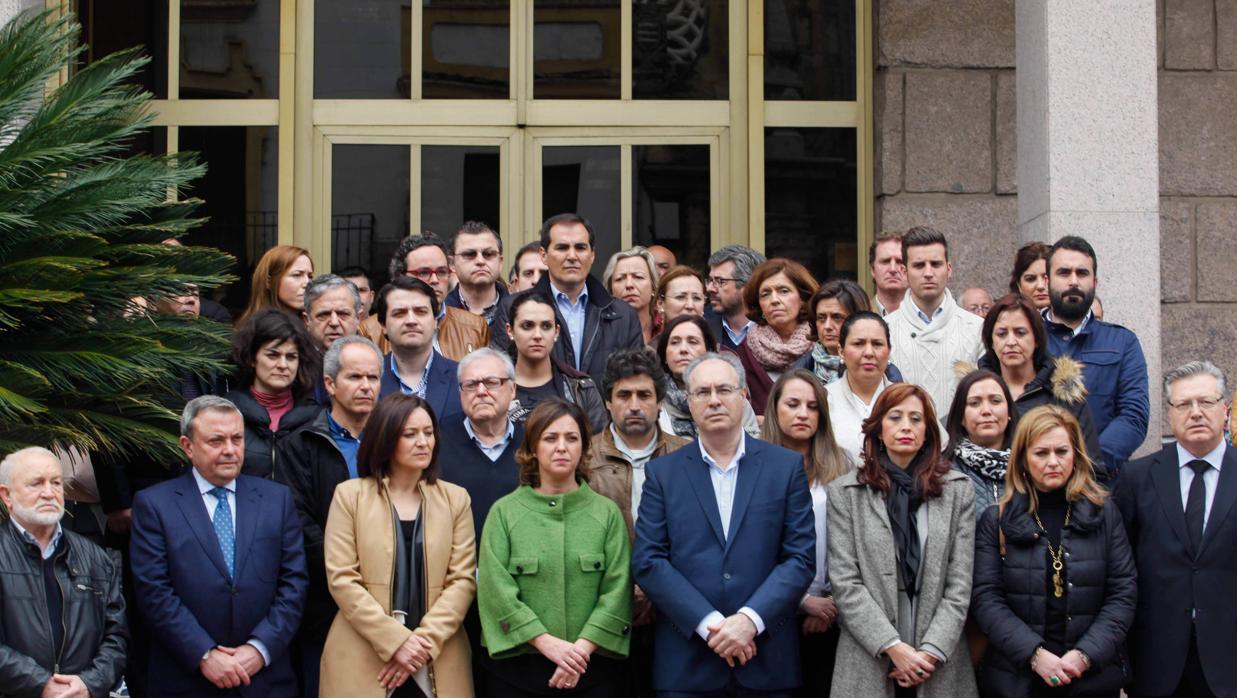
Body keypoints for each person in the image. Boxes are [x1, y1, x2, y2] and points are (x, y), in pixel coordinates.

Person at [632, 352, 815, 695]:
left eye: (724, 389)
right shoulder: (663, 474)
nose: (714, 400)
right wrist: (711, 624)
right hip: (688, 665)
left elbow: (800, 559)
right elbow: (649, 561)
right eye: (702, 392)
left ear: (744, 395)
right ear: (688, 401)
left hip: (767, 662)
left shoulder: (785, 468)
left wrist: (749, 620)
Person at [130, 396, 308, 696]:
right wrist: (204, 654)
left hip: (264, 679)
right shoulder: (155, 505)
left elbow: (294, 583)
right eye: (216, 440)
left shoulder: (277, 500)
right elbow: (154, 592)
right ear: (188, 446)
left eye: (237, 439)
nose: (229, 450)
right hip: (188, 679)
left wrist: (259, 649)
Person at [971, 405, 1135, 697]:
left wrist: (1085, 655)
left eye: (1062, 451)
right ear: (1022, 458)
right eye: (1041, 453)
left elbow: (1122, 592)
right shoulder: (996, 520)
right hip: (1018, 680)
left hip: (1091, 677)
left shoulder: (1104, 514)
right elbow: (986, 599)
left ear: (1076, 455)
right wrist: (1035, 655)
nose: (1053, 462)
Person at [826, 383, 977, 698]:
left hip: (938, 654)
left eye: (916, 419)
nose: (906, 426)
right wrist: (893, 648)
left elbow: (959, 584)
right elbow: (845, 583)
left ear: (928, 432)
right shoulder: (845, 493)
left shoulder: (957, 491)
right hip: (869, 653)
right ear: (878, 429)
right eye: (895, 417)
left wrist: (930, 652)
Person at [320, 393, 476, 697]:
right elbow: (341, 579)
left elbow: (463, 581)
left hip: (438, 656)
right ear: (386, 437)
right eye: (410, 434)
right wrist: (395, 640)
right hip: (363, 656)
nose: (423, 442)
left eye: (428, 433)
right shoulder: (350, 496)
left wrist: (421, 645)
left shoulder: (456, 499)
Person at [478, 399, 632, 696]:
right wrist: (546, 643)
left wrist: (579, 651)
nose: (561, 447)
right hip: (518, 670)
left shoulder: (606, 513)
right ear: (533, 448)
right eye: (550, 438)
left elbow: (618, 588)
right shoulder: (505, 512)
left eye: (571, 438)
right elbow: (495, 590)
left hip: (591, 669)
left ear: (584, 448)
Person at [1116, 360, 1237, 697]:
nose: (1195, 412)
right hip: (1156, 662)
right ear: (1169, 414)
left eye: (1206, 402)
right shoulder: (1136, 478)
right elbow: (1120, 571)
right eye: (1184, 404)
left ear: (1225, 410)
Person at [273, 335, 383, 697]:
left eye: (373, 377)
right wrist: (351, 572)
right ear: (330, 384)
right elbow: (298, 522)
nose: (366, 386)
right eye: (355, 377)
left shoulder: (396, 441)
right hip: (326, 602)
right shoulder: (300, 444)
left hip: (392, 599)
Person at [588, 349, 689, 697]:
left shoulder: (687, 455)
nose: (634, 405)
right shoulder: (583, 459)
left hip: (674, 612)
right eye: (623, 395)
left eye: (644, 395)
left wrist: (653, 591)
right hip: (601, 611)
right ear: (607, 402)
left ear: (659, 402)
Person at [0, 447, 127, 698]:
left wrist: (89, 684)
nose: (49, 493)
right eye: (36, 484)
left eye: (56, 483)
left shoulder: (96, 558)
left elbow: (117, 637)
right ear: (7, 495)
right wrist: (41, 685)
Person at [759, 371, 853, 697]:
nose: (803, 414)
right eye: (793, 404)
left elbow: (855, 542)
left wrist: (829, 603)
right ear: (775, 409)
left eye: (813, 407)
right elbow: (753, 548)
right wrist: (802, 601)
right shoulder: (753, 466)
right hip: (771, 616)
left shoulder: (842, 465)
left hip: (834, 613)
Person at [438, 347, 525, 695]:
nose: (481, 391)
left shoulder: (535, 442)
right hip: (452, 597)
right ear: (459, 393)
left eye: (492, 382)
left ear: (513, 389)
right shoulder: (435, 441)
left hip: (520, 597)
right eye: (470, 384)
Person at [491, 214, 644, 388]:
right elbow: (501, 377)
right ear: (544, 255)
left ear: (592, 254)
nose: (572, 256)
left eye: (580, 248)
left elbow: (636, 382)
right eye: (562, 248)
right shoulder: (512, 307)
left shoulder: (623, 315)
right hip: (539, 414)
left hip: (603, 414)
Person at [1042, 235, 1148, 474]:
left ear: (1095, 281)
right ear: (1047, 280)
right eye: (1063, 273)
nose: (1073, 281)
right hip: (1034, 484)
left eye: (1082, 273)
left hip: (1101, 484)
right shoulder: (1026, 340)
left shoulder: (1122, 343)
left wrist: (1087, 464)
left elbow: (1134, 416)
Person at [977, 293, 1105, 474]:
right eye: (1002, 333)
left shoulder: (1064, 395)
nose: (1011, 342)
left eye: (1020, 333)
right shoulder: (974, 395)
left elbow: (1093, 470)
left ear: (1037, 338)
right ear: (991, 340)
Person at [885, 226, 985, 421]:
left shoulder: (977, 329)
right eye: (919, 265)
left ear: (949, 269)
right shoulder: (884, 331)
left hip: (962, 446)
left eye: (936, 264)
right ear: (904, 272)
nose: (928, 273)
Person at [224, 309, 321, 479]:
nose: (283, 365)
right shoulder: (225, 413)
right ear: (252, 358)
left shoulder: (318, 419)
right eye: (273, 355)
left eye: (291, 357)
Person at [363, 233, 490, 360]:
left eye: (441, 272)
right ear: (400, 277)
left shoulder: (475, 327)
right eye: (424, 273)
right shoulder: (370, 331)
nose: (435, 280)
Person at [506, 291, 608, 433]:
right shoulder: (492, 387)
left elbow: (597, 449)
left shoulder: (582, 389)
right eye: (527, 326)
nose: (537, 335)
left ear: (556, 332)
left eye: (546, 326)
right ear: (510, 330)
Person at [730, 258, 819, 415]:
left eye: (784, 291)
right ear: (759, 305)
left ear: (803, 299)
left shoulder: (821, 349)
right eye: (765, 294)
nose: (774, 300)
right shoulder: (741, 354)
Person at [655, 314, 761, 440]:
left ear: (708, 351)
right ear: (665, 355)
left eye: (692, 342)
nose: (683, 349)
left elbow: (752, 447)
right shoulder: (655, 402)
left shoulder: (733, 395)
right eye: (675, 342)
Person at [375, 276, 464, 424]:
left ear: (436, 320)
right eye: (399, 313)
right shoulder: (369, 379)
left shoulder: (463, 378)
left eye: (420, 312)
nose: (411, 320)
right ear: (383, 325)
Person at [826, 311, 897, 462]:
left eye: (877, 344)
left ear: (889, 351)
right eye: (858, 344)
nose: (869, 352)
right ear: (841, 351)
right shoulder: (823, 399)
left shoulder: (909, 400)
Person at [943, 370, 1015, 518]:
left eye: (995, 401)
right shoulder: (943, 471)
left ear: (1009, 412)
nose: (986, 411)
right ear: (961, 416)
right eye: (974, 403)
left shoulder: (1031, 465)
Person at [792, 278, 882, 384]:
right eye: (821, 318)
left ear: (858, 320)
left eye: (837, 317)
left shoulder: (886, 373)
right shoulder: (796, 375)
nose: (827, 326)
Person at [446, 220, 508, 326]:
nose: (480, 261)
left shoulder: (521, 312)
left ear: (500, 262)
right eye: (469, 254)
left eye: (488, 254)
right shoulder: (438, 315)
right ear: (452, 264)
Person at [705, 245, 766, 349]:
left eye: (720, 281)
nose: (710, 288)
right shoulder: (703, 324)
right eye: (710, 280)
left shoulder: (773, 327)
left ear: (748, 285)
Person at [238, 244, 314, 324]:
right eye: (297, 275)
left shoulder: (315, 325)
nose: (307, 283)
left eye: (310, 276)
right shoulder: (259, 331)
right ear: (268, 281)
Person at [603, 246, 661, 346]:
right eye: (620, 279)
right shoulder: (600, 331)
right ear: (610, 290)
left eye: (638, 277)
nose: (629, 285)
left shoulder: (666, 327)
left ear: (653, 288)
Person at [302, 274, 362, 353]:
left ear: (358, 318)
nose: (334, 323)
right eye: (324, 314)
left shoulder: (373, 363)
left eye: (343, 314)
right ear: (307, 320)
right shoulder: (290, 361)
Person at [869, 231, 907, 316]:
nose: (893, 269)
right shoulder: (857, 316)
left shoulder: (928, 318)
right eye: (885, 262)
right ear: (873, 270)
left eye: (900, 261)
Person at [1009, 242, 1050, 310]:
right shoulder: (1004, 319)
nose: (1040, 286)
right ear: (1018, 284)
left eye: (1047, 277)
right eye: (1031, 279)